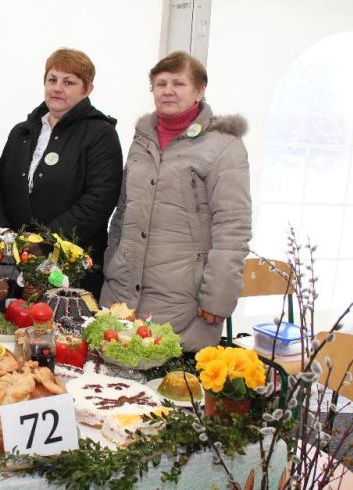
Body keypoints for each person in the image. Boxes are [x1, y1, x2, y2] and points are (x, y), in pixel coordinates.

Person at [100, 51, 252, 353]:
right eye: (160, 83)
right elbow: (123, 210)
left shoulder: (225, 146)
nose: (168, 90)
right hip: (122, 295)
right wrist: (111, 265)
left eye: (179, 83)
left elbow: (233, 228)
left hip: (182, 303)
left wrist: (217, 298)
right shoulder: (141, 139)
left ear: (199, 90)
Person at [0, 48, 123, 298]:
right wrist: (3, 233)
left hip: (71, 269)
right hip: (14, 264)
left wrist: (43, 240)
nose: (57, 87)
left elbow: (100, 199)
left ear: (87, 90)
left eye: (69, 82)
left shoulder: (101, 134)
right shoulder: (22, 132)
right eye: (52, 79)